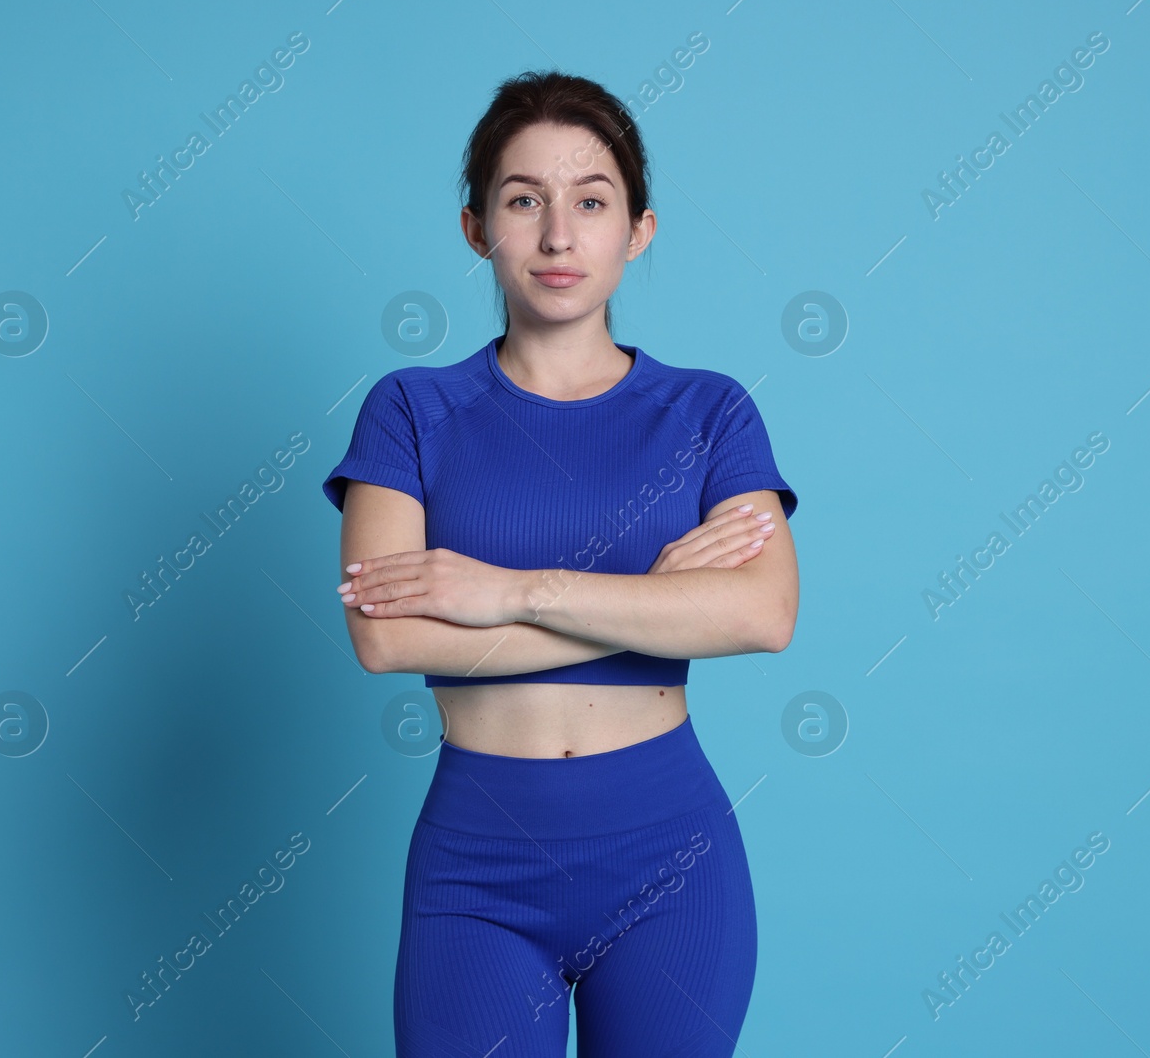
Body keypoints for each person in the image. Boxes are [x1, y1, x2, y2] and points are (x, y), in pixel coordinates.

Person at [321, 69, 799, 1058]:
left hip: (673, 859)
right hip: (478, 867)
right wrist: (654, 602)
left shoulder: (709, 414)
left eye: (590, 202)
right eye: (522, 200)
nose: (556, 234)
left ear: (639, 229)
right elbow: (384, 634)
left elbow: (762, 614)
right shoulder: (411, 410)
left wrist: (505, 592)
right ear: (475, 228)